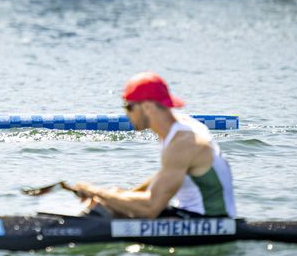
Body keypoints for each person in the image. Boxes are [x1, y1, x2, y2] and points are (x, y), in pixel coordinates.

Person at [63, 72, 235, 219]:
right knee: (112, 200)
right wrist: (121, 195)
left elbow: (150, 208)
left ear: (147, 107)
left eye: (128, 107)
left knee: (107, 204)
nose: (126, 114)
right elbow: (167, 173)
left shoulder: (183, 143)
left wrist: (96, 191)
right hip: (188, 214)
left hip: (209, 220)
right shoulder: (176, 128)